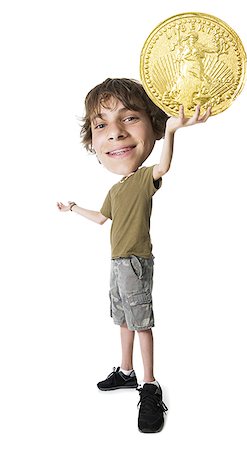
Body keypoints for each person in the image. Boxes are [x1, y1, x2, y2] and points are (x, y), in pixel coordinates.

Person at [57, 78, 211, 433]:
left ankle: (150, 384)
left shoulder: (144, 178)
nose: (114, 134)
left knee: (141, 323)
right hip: (116, 263)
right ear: (93, 144)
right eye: (101, 125)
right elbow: (100, 218)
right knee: (122, 318)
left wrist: (171, 131)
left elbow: (163, 168)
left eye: (128, 119)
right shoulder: (114, 189)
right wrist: (74, 207)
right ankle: (126, 372)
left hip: (136, 262)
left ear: (152, 128)